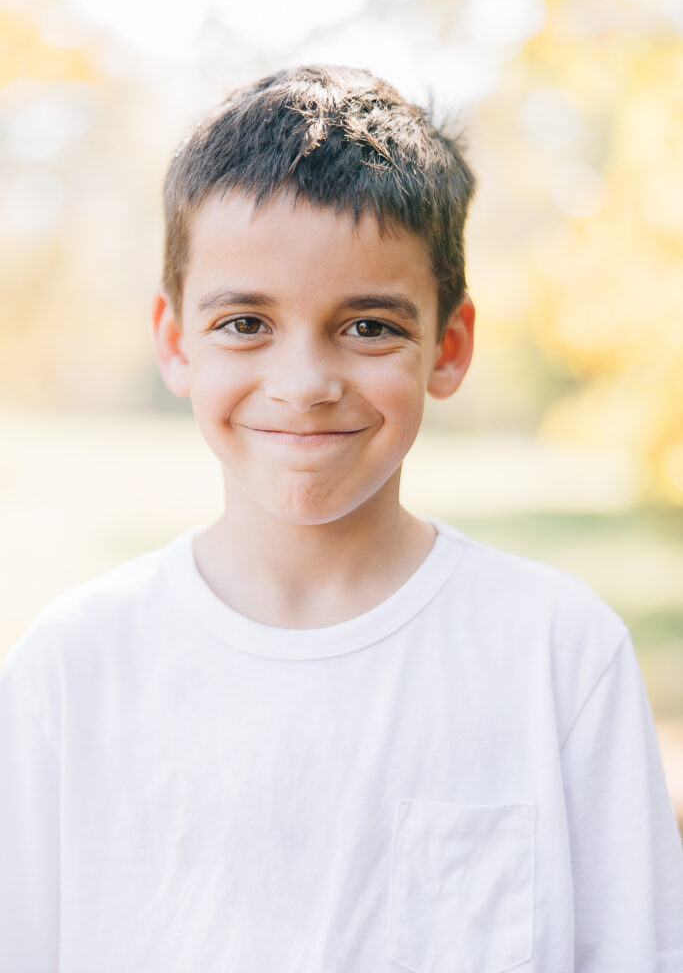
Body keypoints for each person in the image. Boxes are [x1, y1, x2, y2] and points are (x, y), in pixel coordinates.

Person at [1, 65, 681, 973]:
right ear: (174, 343)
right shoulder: (75, 664)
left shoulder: (556, 654)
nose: (304, 383)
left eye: (367, 326)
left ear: (448, 345)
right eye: (245, 323)